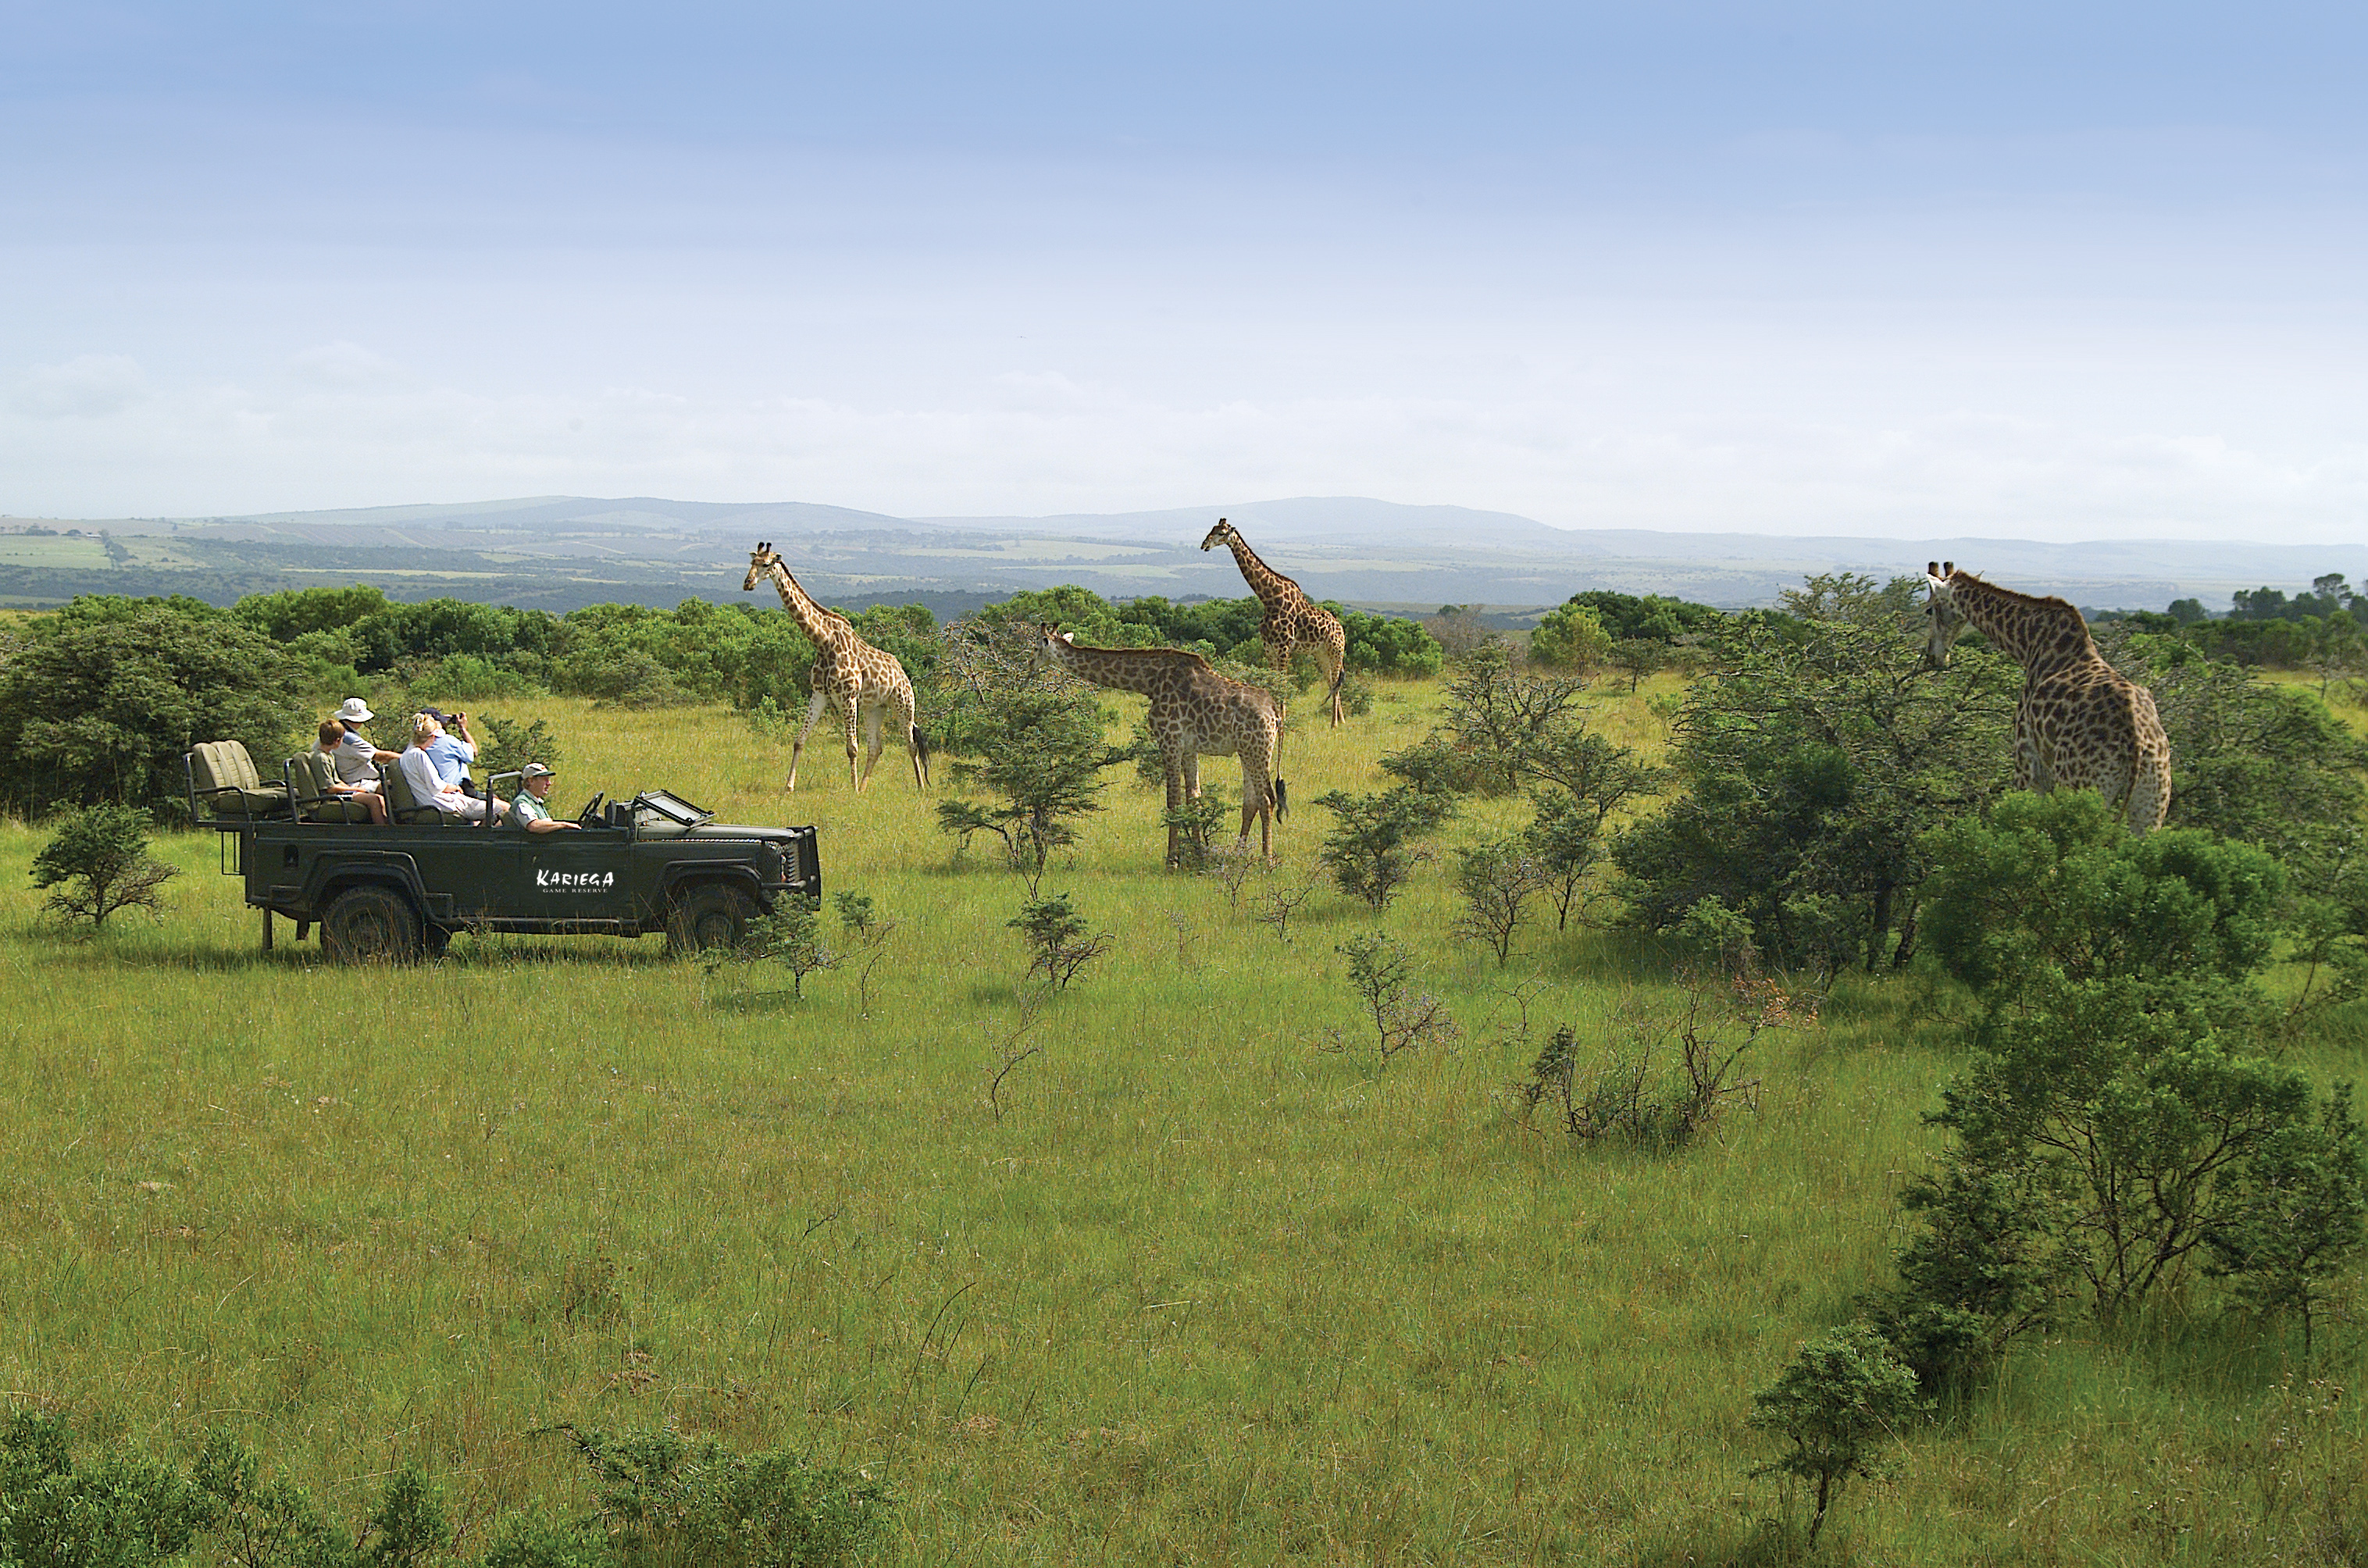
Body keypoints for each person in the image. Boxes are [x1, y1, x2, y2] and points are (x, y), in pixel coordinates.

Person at [396, 714, 494, 821]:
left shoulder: (407, 753)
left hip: (430, 799)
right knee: (495, 810)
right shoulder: (419, 755)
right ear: (432, 737)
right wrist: (455, 787)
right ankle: (477, 837)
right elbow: (436, 786)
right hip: (437, 802)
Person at [310, 718, 389, 824]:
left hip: (340, 791)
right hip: (330, 796)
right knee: (376, 800)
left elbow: (336, 781)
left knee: (380, 795)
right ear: (337, 741)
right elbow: (330, 788)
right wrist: (356, 790)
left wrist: (354, 789)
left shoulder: (329, 755)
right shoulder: (321, 758)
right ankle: (383, 834)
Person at [320, 698, 400, 791]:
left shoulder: (326, 736)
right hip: (357, 783)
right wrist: (407, 758)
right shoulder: (349, 739)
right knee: (397, 786)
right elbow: (381, 756)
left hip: (347, 781)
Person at [419, 707, 480, 795]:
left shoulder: (416, 746)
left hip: (434, 792)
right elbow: (474, 752)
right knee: (500, 804)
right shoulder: (447, 741)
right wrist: (463, 729)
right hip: (459, 791)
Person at [507, 762, 581, 833]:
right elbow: (534, 826)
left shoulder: (535, 801)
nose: (549, 783)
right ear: (531, 781)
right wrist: (564, 825)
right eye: (544, 779)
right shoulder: (522, 803)